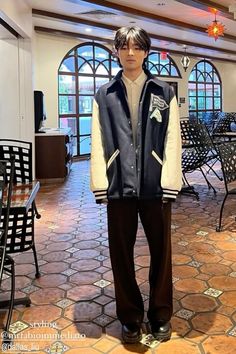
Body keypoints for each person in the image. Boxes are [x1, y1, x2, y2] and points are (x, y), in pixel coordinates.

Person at [90, 26, 182, 344]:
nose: (130, 52)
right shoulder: (104, 94)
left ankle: (160, 314)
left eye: (137, 47)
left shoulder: (163, 91)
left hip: (156, 187)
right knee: (120, 254)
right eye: (124, 47)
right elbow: (98, 138)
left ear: (146, 51)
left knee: (162, 251)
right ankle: (130, 317)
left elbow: (172, 139)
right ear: (117, 50)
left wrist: (170, 179)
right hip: (119, 187)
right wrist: (100, 182)